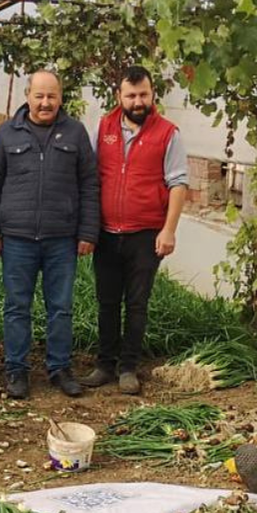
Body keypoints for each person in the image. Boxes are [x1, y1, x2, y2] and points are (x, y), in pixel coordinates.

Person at [0, 70, 99, 399]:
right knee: (17, 307)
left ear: (60, 98)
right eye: (39, 96)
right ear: (28, 96)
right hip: (17, 238)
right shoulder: (7, 133)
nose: (45, 103)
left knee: (60, 307)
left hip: (62, 238)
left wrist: (88, 231)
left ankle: (60, 368)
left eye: (52, 96)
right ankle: (16, 370)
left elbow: (89, 183)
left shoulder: (75, 132)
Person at [81, 66, 190, 395]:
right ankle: (104, 364)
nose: (138, 101)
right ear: (119, 96)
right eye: (131, 95)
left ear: (153, 94)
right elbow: (90, 176)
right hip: (107, 233)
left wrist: (168, 230)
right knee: (107, 301)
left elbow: (178, 183)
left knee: (137, 303)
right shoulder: (104, 127)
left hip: (145, 234)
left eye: (143, 94)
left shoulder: (168, 133)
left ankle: (128, 367)